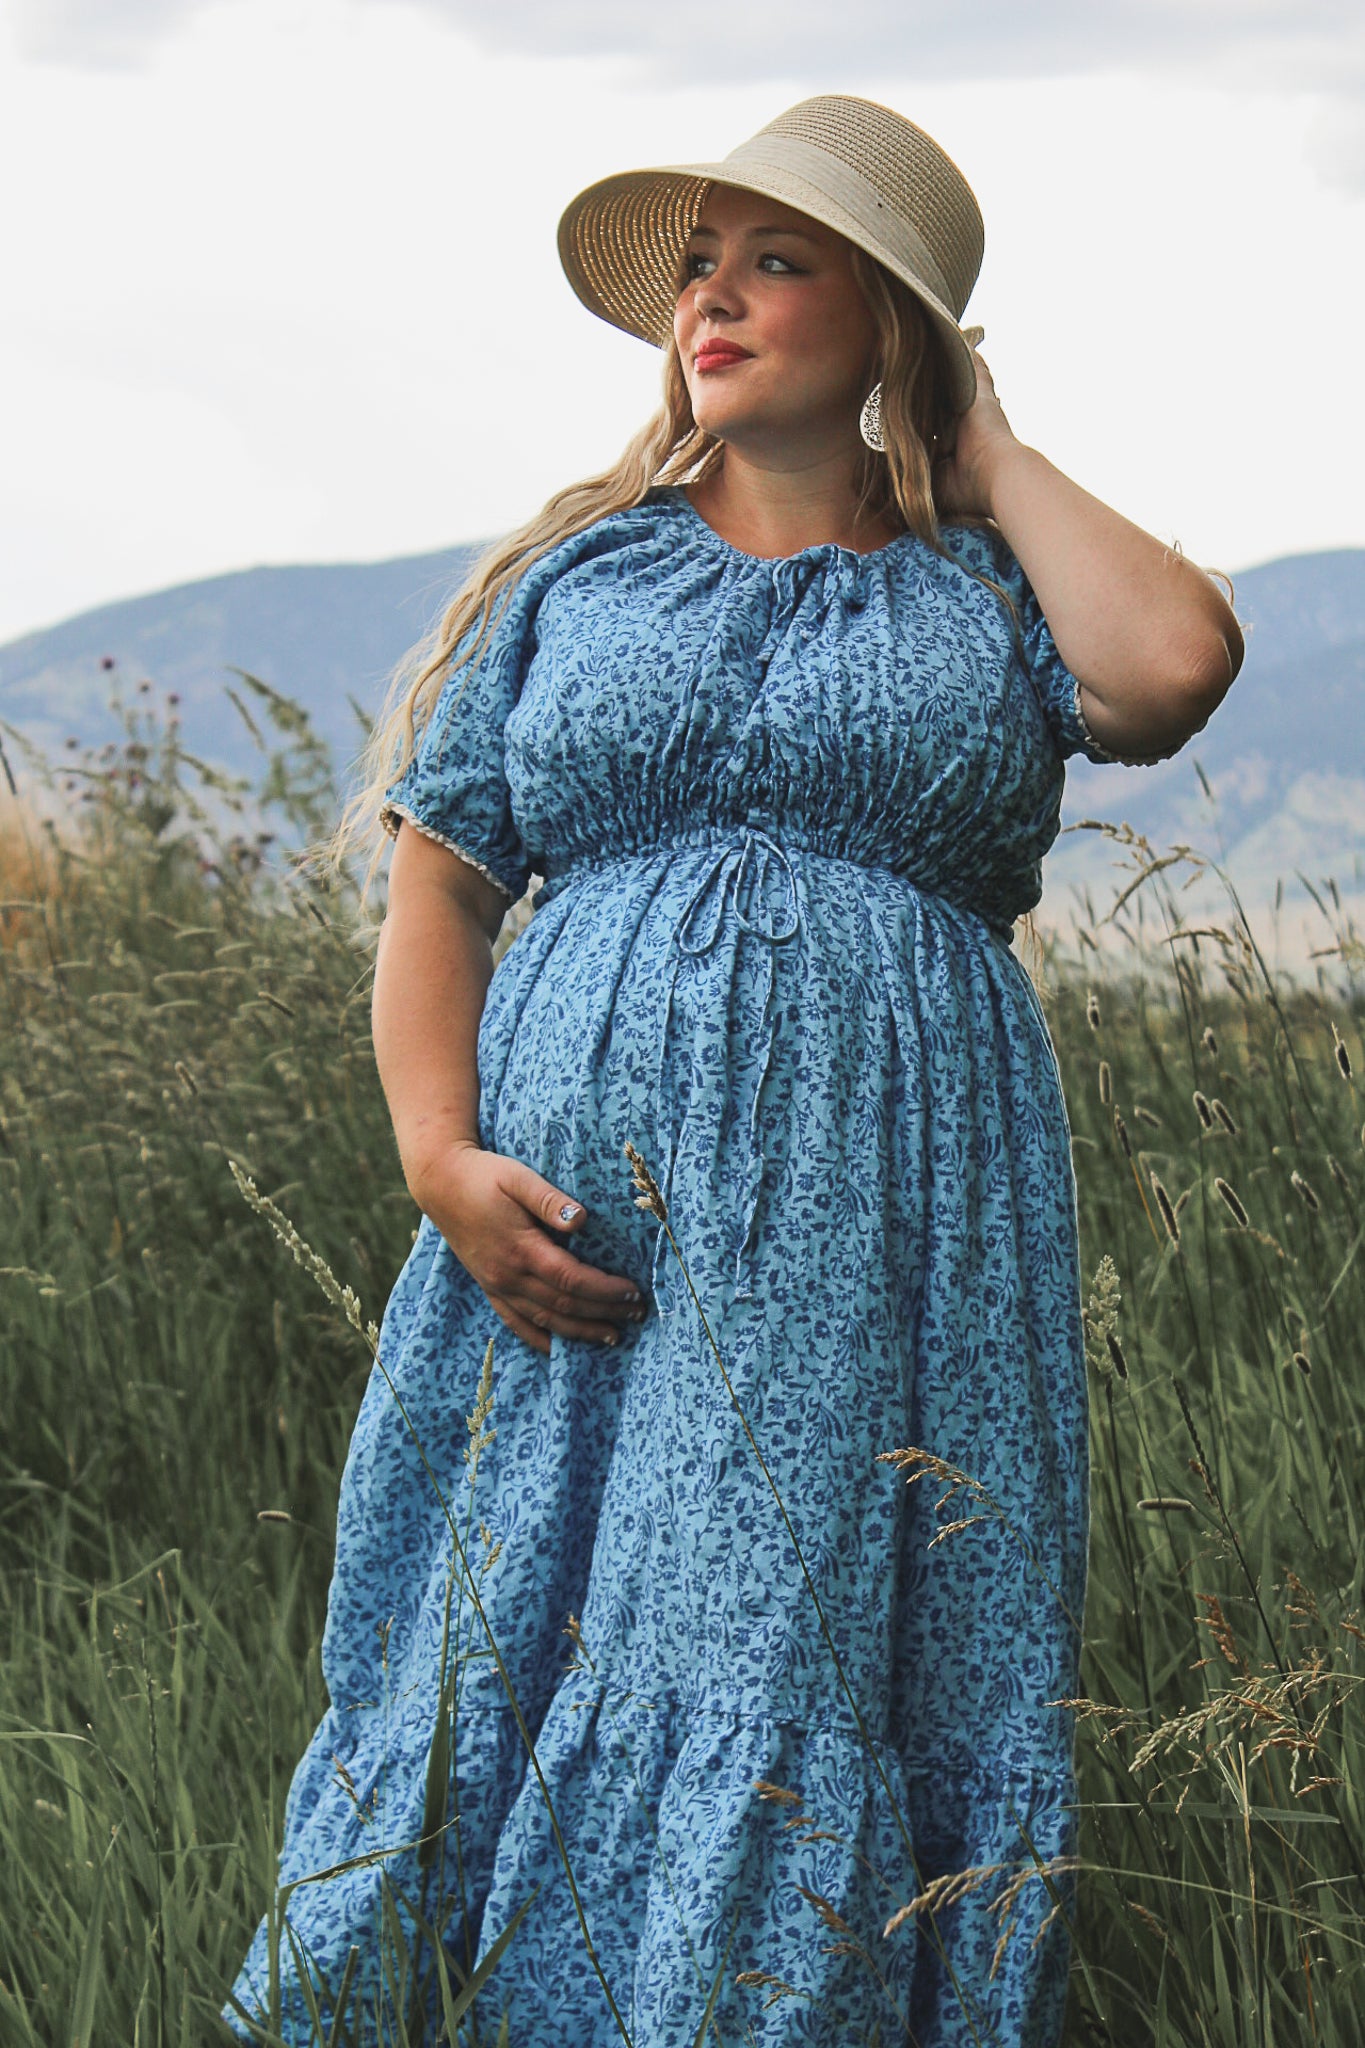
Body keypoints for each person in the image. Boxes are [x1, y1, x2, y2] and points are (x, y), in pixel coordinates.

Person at [226, 93, 1242, 2048]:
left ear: (895, 330)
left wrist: (986, 453)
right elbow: (438, 884)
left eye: (779, 260)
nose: (715, 294)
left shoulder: (985, 594)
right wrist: (435, 1152)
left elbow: (1173, 662)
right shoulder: (577, 578)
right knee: (505, 1612)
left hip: (869, 1248)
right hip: (564, 1235)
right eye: (700, 259)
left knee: (761, 1632)